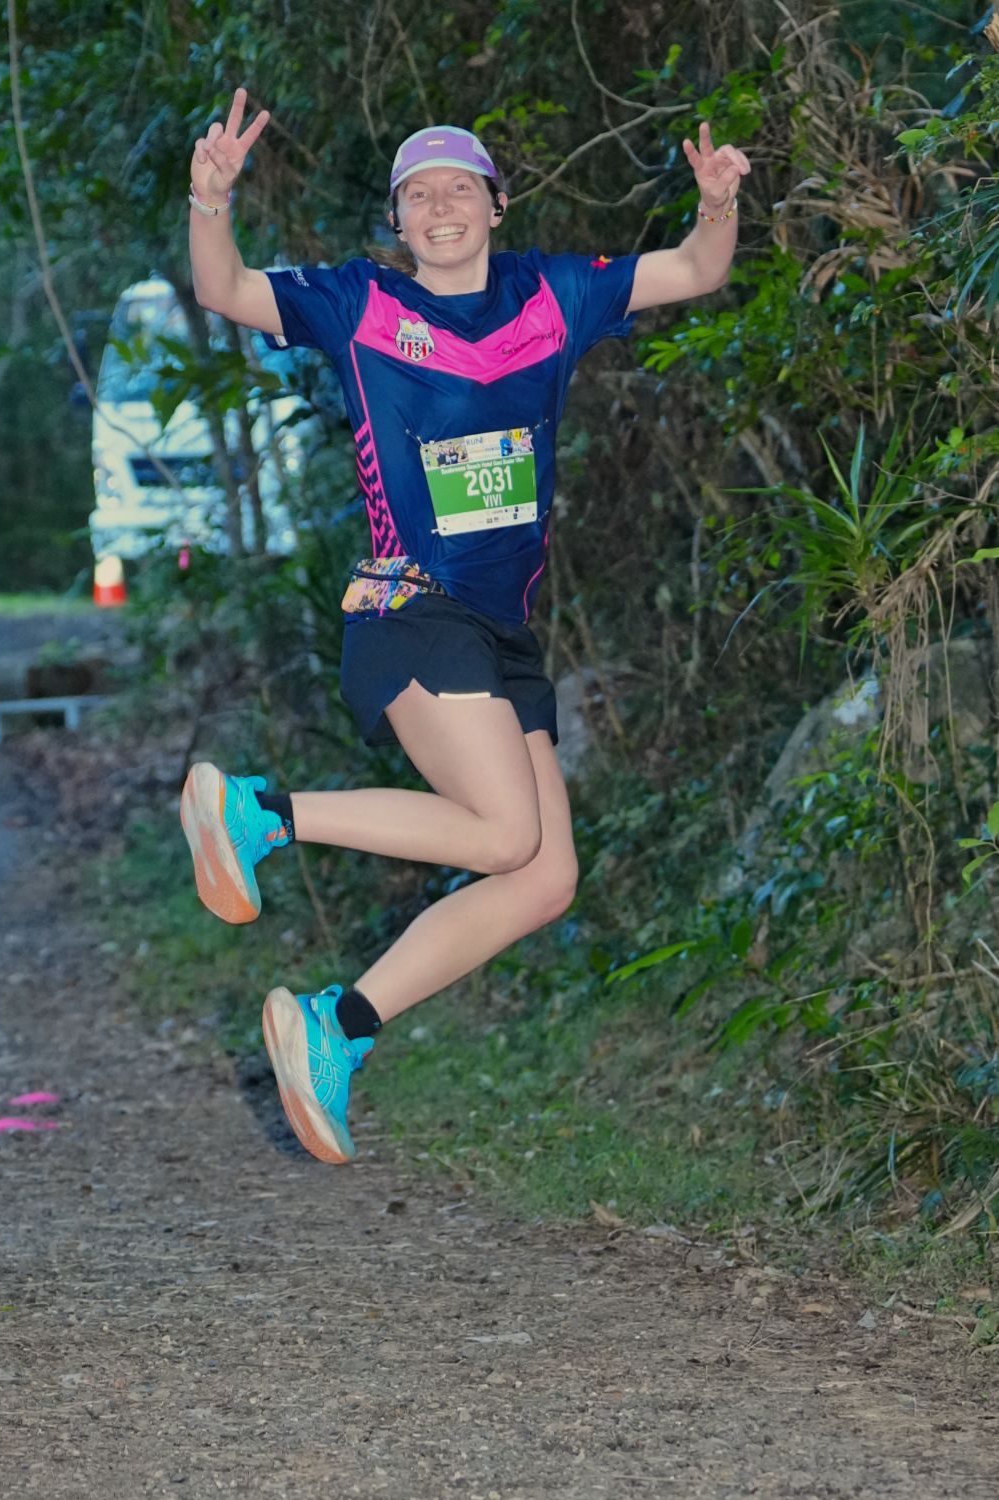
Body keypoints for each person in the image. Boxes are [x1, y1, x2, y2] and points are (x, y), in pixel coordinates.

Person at [181, 91, 750, 1165]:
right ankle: (261, 812)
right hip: (411, 605)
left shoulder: (556, 293)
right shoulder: (357, 305)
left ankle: (335, 1028)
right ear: (398, 223)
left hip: (502, 633)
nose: (439, 204)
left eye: (457, 187)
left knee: (541, 878)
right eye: (416, 193)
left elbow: (695, 269)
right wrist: (212, 200)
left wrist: (715, 207)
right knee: (499, 834)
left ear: (495, 202)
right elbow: (223, 288)